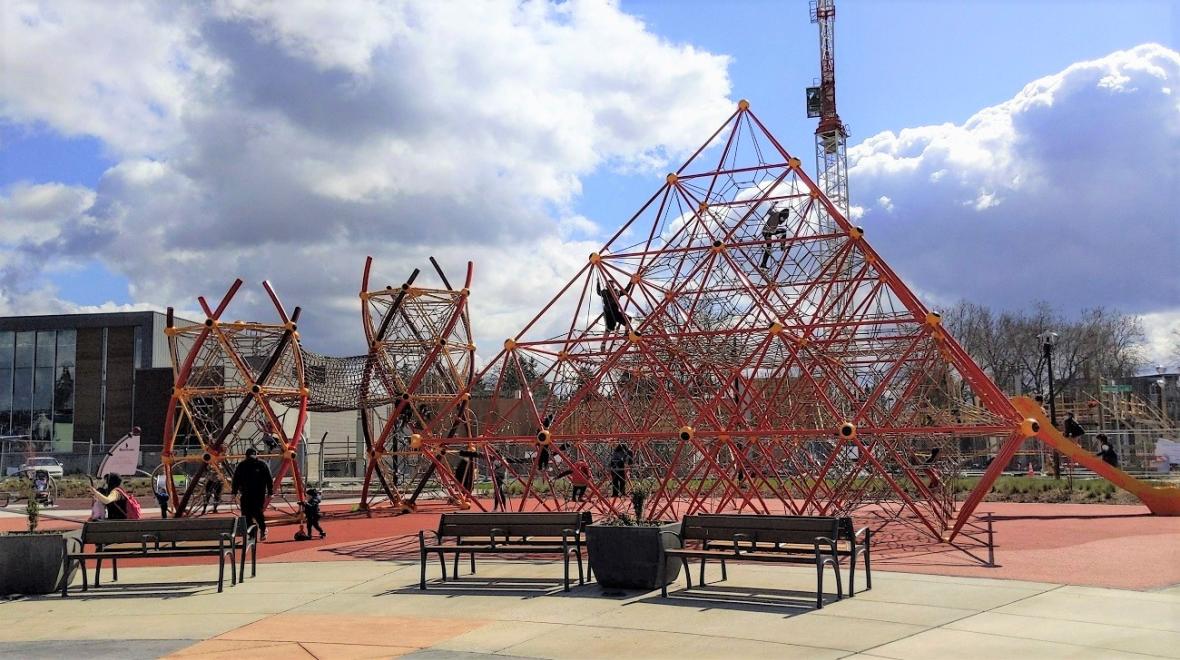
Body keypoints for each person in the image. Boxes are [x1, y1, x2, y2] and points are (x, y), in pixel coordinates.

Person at [232, 448, 273, 541]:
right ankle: (251, 534)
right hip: (246, 493)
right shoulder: (242, 465)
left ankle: (263, 528)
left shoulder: (262, 465)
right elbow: (236, 479)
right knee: (246, 514)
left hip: (259, 493)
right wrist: (234, 491)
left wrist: (270, 491)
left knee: (257, 512)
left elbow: (269, 478)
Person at [759, 207, 790, 271]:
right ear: (782, 216)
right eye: (784, 219)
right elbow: (772, 231)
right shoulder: (777, 218)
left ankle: (763, 264)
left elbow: (769, 211)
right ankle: (782, 247)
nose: (783, 220)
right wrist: (777, 235)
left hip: (767, 231)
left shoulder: (776, 213)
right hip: (767, 233)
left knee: (769, 248)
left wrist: (773, 206)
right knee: (769, 248)